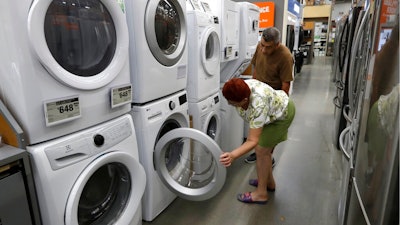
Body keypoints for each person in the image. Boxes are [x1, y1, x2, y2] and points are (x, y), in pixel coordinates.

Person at [220, 78, 295, 204]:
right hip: (272, 113)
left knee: (261, 151)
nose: (230, 104)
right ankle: (268, 183)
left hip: (282, 115)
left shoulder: (258, 104)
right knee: (264, 152)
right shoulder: (242, 87)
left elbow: (252, 140)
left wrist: (233, 155)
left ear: (244, 100)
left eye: (232, 103)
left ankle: (261, 194)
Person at [245, 27, 294, 164]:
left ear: (277, 44)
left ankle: (267, 156)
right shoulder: (260, 47)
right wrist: (251, 91)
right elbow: (256, 69)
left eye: (268, 47)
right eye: (262, 45)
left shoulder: (285, 56)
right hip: (258, 95)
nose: (263, 50)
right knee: (256, 127)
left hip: (272, 98)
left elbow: (285, 85)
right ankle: (258, 152)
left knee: (268, 132)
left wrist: (279, 108)